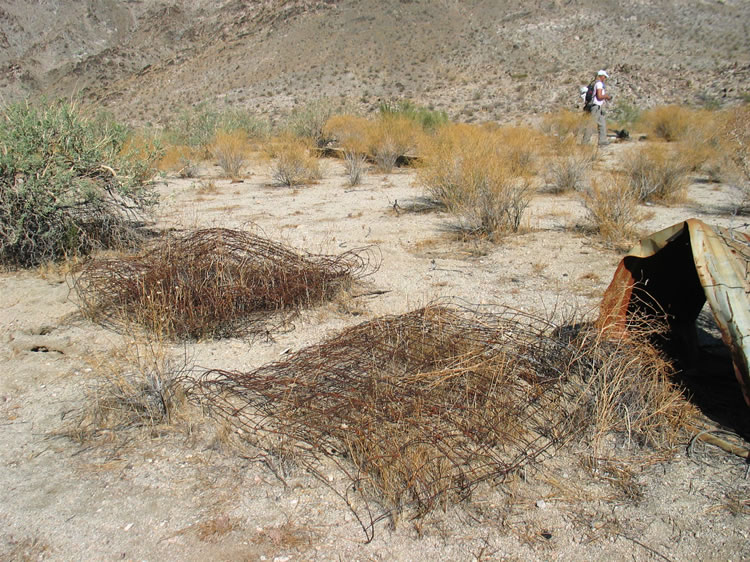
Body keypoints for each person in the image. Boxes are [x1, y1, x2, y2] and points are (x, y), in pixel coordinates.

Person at [591, 70, 612, 146]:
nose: (605, 78)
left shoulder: (597, 83)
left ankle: (602, 141)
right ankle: (585, 143)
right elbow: (599, 96)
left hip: (598, 107)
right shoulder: (599, 84)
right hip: (596, 107)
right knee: (591, 124)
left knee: (602, 124)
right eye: (604, 77)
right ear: (601, 76)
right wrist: (606, 96)